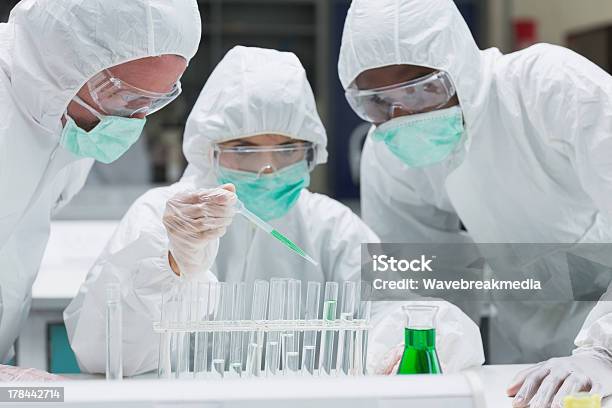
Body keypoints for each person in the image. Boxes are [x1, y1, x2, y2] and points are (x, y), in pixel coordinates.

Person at [64, 46, 484, 376]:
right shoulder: (161, 216)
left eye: (286, 151)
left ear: (310, 154)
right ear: (208, 152)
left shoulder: (329, 227)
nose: (266, 168)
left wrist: (405, 345)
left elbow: (398, 309)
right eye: (244, 150)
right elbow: (101, 354)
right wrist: (174, 264)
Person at [338, 0, 612, 406]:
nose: (401, 114)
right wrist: (430, 346)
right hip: (519, 353)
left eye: (419, 90)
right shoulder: (389, 153)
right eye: (378, 101)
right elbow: (417, 280)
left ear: (457, 65)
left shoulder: (549, 86)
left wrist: (603, 351)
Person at [0, 0, 201, 380]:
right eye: (126, 98)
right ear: (60, 59)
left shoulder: (68, 117)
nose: (136, 119)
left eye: (155, 101)